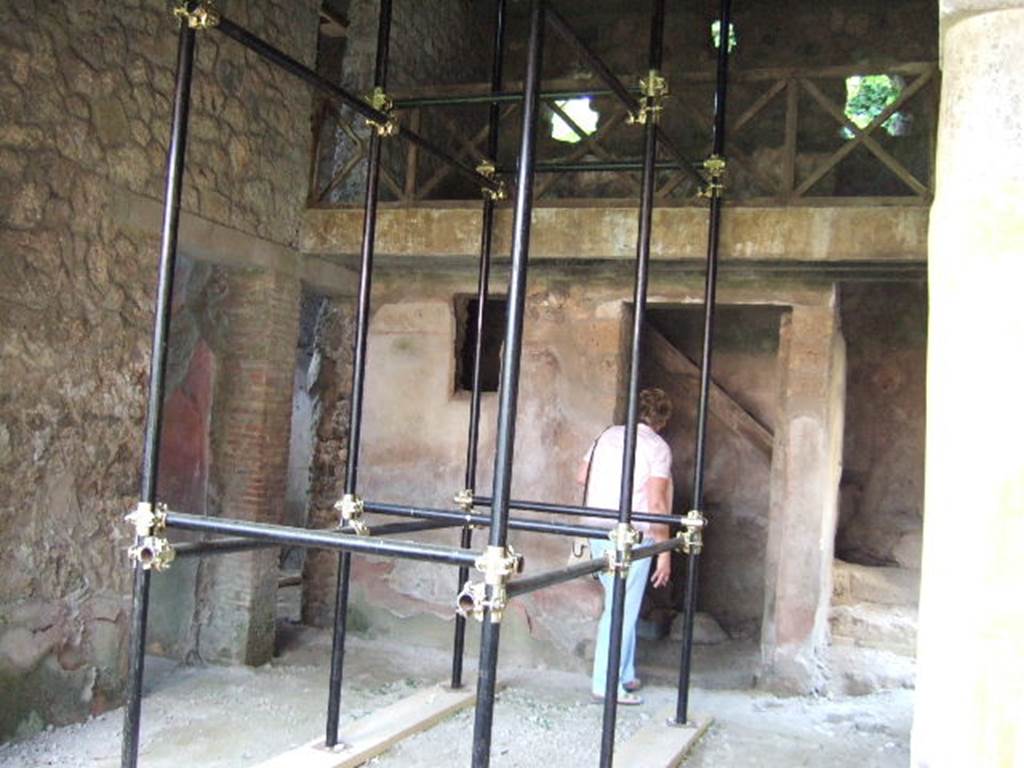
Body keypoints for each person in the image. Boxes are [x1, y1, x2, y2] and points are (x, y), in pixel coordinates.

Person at [576, 387, 674, 706]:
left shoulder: (606, 435)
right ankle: (606, 685)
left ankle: (626, 673)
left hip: (595, 527)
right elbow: (657, 504)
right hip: (631, 536)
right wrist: (664, 551)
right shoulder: (657, 447)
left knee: (621, 604)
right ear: (662, 420)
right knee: (622, 609)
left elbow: (581, 476)